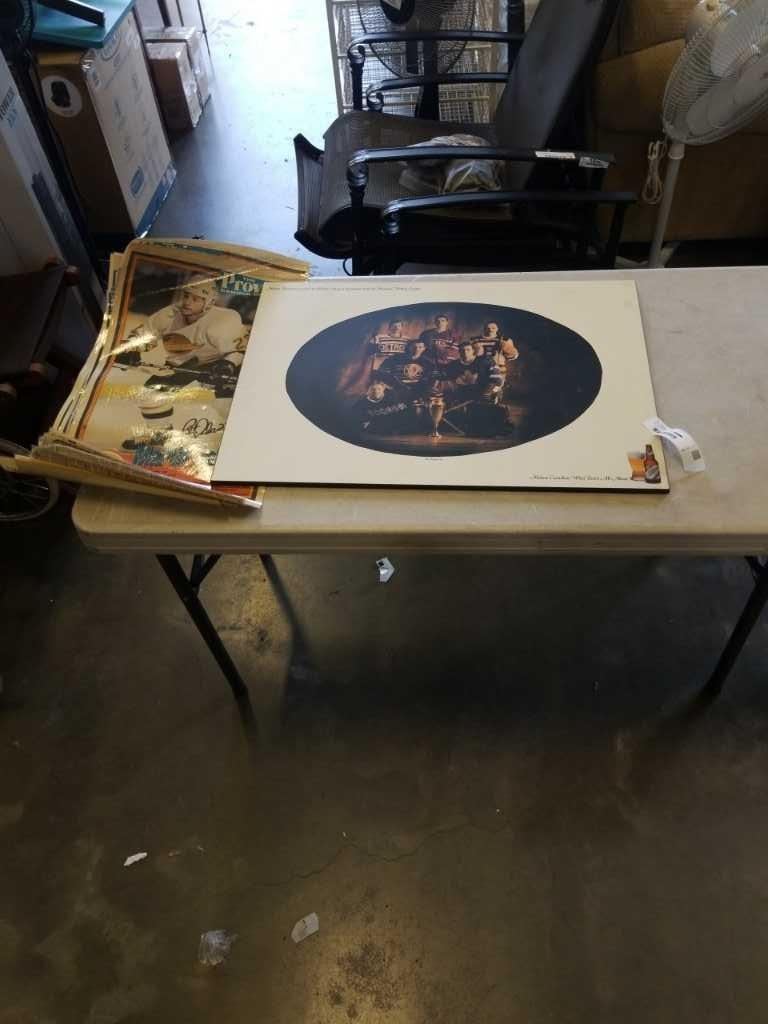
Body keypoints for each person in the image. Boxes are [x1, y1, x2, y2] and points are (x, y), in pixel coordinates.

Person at [116, 275, 244, 380]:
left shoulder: (221, 321)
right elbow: (147, 332)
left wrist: (228, 364)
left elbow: (239, 351)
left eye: (195, 299)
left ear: (209, 303)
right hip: (179, 366)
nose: (187, 302)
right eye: (186, 296)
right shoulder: (172, 313)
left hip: (212, 367)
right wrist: (132, 347)